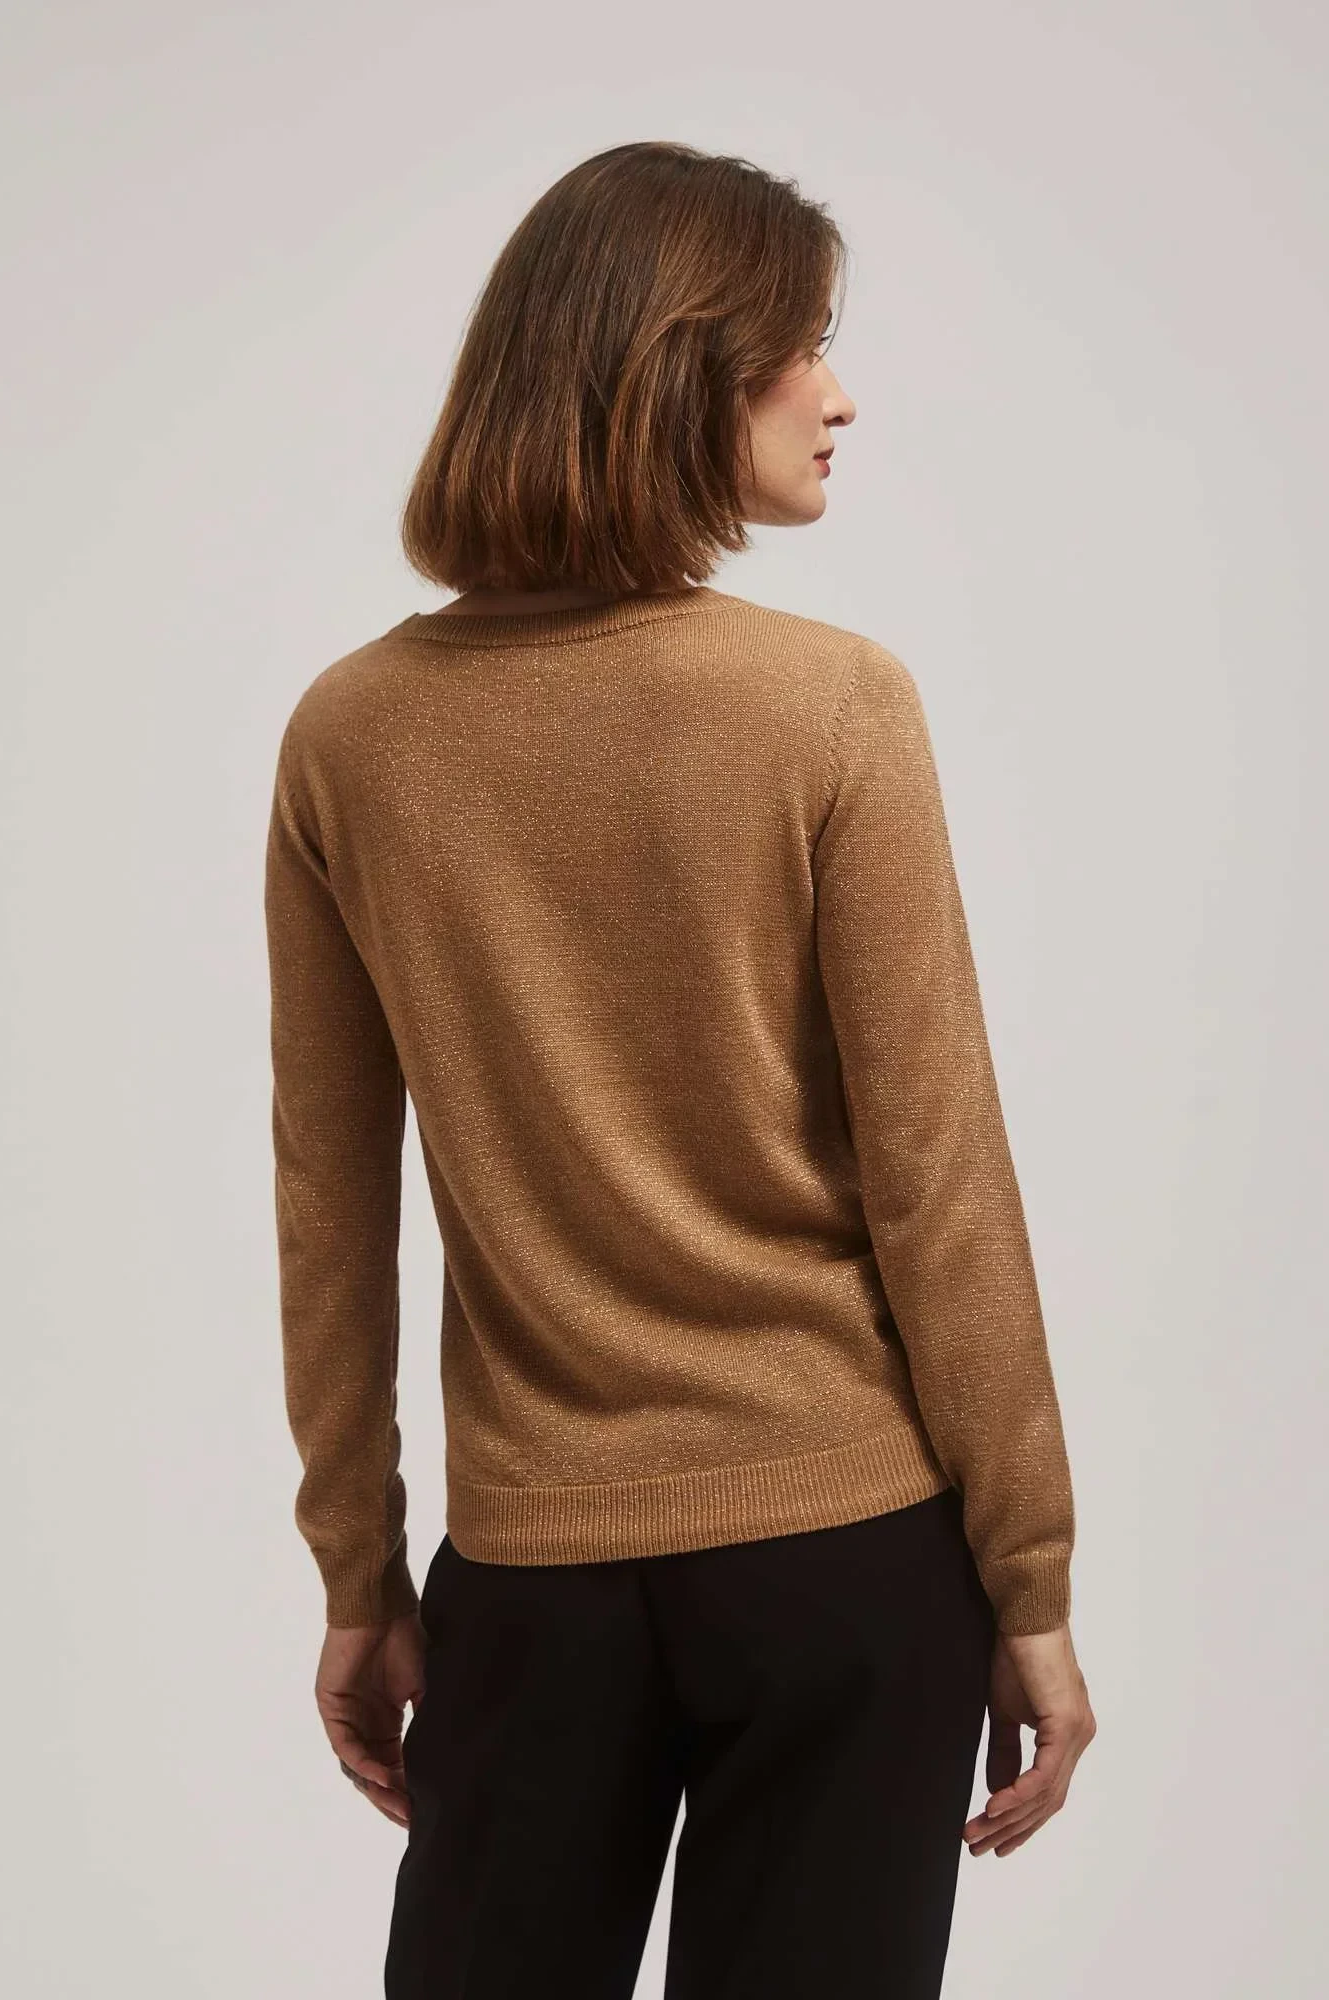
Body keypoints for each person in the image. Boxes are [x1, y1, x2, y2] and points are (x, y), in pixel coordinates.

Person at [263, 139, 1095, 1999]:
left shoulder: (351, 735)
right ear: (678, 369)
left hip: (529, 1575)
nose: (839, 393)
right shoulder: (830, 704)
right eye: (802, 345)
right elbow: (937, 1176)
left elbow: (330, 1199)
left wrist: (357, 1573)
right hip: (851, 1560)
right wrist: (1028, 1580)